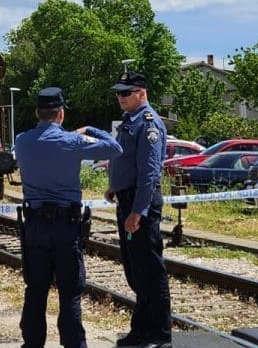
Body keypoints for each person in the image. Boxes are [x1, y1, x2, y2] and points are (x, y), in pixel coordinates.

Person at [14, 87, 122, 348]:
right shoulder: (72, 142)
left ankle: (32, 344)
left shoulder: (22, 140)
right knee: (70, 294)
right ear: (60, 113)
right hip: (66, 226)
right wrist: (88, 130)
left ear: (36, 113)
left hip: (35, 225)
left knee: (35, 291)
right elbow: (115, 148)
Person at [106, 71, 172, 348]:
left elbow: (148, 172)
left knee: (150, 270)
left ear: (141, 93)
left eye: (126, 92)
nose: (120, 97)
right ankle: (142, 329)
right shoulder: (129, 121)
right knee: (135, 271)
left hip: (140, 202)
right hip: (128, 199)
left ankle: (160, 334)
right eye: (118, 93)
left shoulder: (148, 124)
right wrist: (115, 187)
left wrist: (138, 211)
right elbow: (127, 161)